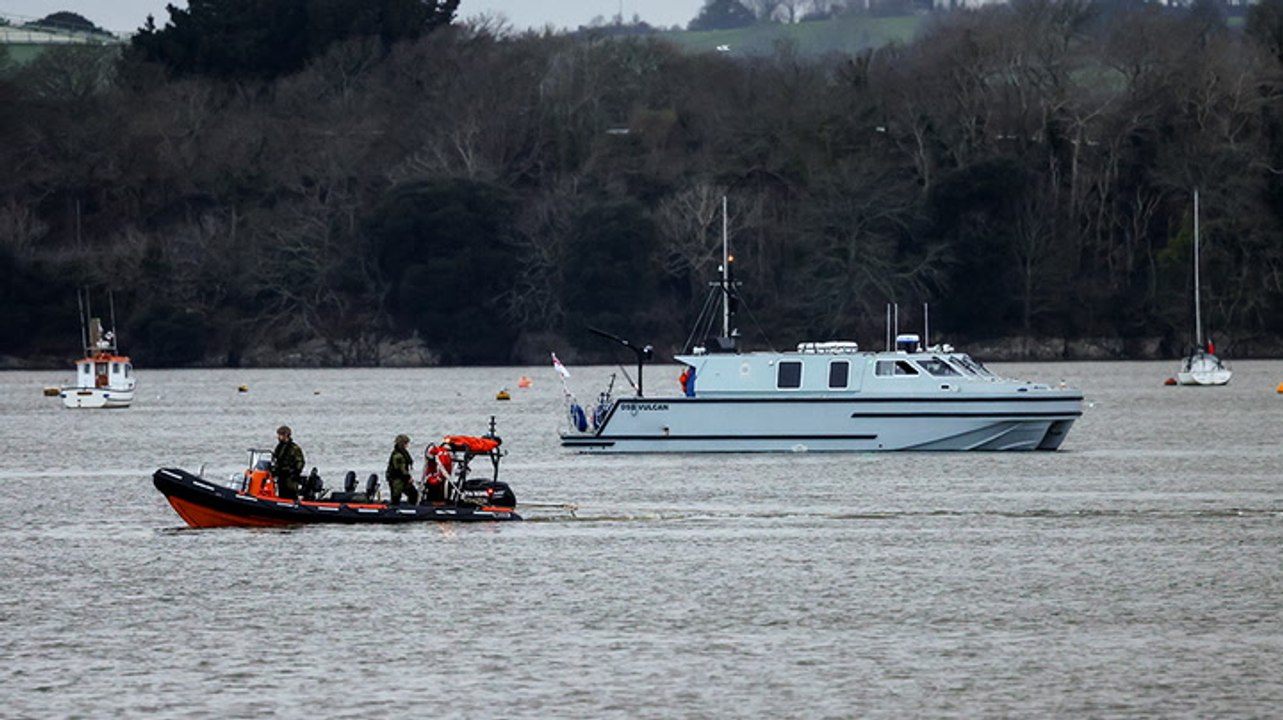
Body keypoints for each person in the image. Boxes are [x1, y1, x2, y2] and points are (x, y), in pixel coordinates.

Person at [272, 425, 306, 500]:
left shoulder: (294, 448)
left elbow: (300, 461)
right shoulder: (279, 447)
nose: (278, 437)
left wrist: (295, 472)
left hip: (290, 476)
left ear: (286, 435)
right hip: (281, 474)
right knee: (282, 493)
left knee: (290, 494)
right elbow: (276, 458)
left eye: (280, 435)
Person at [386, 434, 417, 505]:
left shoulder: (401, 452)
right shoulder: (398, 455)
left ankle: (409, 508)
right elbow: (401, 469)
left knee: (413, 494)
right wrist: (408, 478)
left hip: (401, 478)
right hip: (397, 479)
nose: (407, 445)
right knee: (397, 496)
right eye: (406, 443)